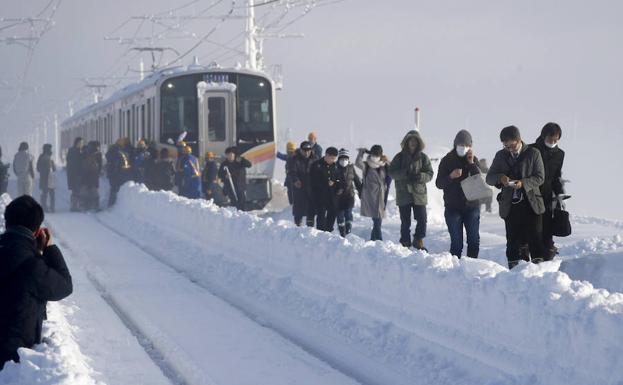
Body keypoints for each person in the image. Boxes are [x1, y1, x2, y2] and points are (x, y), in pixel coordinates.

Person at [0, 196, 73, 371]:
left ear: (6, 221)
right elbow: (64, 286)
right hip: (13, 358)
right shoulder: (32, 266)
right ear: (37, 231)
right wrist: (49, 248)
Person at [486, 125, 545, 268]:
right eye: (505, 146)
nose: (509, 148)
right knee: (513, 240)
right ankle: (515, 271)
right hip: (510, 205)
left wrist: (523, 183)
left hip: (531, 203)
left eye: (511, 145)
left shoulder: (533, 153)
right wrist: (501, 178)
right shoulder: (500, 155)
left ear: (518, 140)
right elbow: (489, 178)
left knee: (535, 237)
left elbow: (540, 177)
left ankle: (538, 271)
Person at [435, 130, 482, 259]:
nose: (463, 148)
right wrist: (451, 176)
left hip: (472, 207)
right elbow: (439, 183)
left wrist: (471, 164)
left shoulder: (473, 160)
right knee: (456, 243)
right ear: (455, 145)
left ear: (470, 146)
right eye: (461, 145)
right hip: (453, 208)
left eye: (466, 145)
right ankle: (455, 271)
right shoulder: (447, 160)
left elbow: (480, 180)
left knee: (473, 241)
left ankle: (471, 266)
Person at [388, 130, 434, 250]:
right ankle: (405, 242)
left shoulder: (423, 158)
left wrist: (420, 176)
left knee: (422, 219)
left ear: (418, 143)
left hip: (419, 194)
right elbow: (391, 173)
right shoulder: (399, 157)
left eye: (415, 141)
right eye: (410, 140)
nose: (413, 143)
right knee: (405, 221)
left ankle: (418, 240)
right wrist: (405, 173)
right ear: (407, 142)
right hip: (403, 193)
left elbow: (429, 173)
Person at [530, 122, 566, 260]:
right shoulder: (532, 150)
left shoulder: (560, 154)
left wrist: (560, 193)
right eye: (550, 139)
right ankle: (533, 256)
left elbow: (556, 176)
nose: (552, 142)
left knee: (546, 227)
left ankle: (546, 256)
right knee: (534, 227)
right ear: (543, 136)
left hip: (547, 195)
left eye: (555, 140)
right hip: (531, 194)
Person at [356, 145, 390, 241]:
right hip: (370, 196)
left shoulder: (383, 166)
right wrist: (361, 153)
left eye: (377, 154)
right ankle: (379, 240)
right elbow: (357, 163)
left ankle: (373, 240)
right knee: (377, 219)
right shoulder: (366, 165)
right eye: (374, 154)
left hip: (381, 196)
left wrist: (387, 160)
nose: (375, 156)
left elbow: (392, 171)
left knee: (378, 220)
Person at [309, 147, 340, 232]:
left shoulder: (335, 166)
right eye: (331, 158)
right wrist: (326, 183)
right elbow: (313, 180)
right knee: (321, 215)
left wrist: (335, 183)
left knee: (333, 212)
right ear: (326, 155)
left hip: (331, 195)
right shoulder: (317, 165)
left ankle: (329, 230)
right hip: (320, 195)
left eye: (334, 158)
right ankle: (320, 232)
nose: (333, 160)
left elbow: (338, 178)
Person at [287, 141, 316, 226]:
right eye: (304, 150)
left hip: (311, 188)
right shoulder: (295, 159)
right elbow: (292, 171)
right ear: (300, 150)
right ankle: (297, 226)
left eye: (308, 150)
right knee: (298, 209)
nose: (306, 152)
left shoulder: (315, 159)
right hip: (299, 187)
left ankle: (310, 228)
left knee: (311, 208)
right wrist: (295, 180)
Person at [335, 149, 362, 237]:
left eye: (346, 158)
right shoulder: (334, 168)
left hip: (349, 196)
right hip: (338, 197)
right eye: (342, 158)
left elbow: (357, 180)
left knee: (348, 214)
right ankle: (342, 233)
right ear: (339, 158)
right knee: (340, 216)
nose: (344, 160)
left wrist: (361, 192)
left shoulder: (351, 168)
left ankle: (348, 231)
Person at [106, 138, 133, 207]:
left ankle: (113, 204)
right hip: (117, 173)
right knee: (114, 189)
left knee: (115, 189)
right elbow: (113, 162)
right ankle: (112, 205)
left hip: (119, 173)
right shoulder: (116, 151)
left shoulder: (120, 151)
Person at [81, 141, 103, 211]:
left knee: (86, 190)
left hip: (85, 174)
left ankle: (86, 205)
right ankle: (95, 206)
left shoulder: (85, 152)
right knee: (94, 190)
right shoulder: (98, 154)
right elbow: (100, 165)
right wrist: (98, 172)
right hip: (94, 174)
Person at [36, 144, 56, 213]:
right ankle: (52, 208)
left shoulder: (41, 157)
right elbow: (54, 169)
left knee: (45, 193)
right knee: (51, 193)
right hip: (50, 178)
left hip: (44, 178)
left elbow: (38, 168)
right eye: (50, 149)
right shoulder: (49, 158)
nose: (51, 150)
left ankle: (44, 207)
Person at [66, 138, 84, 211]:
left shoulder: (77, 151)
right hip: (75, 174)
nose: (82, 144)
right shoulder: (74, 151)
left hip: (76, 173)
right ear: (77, 143)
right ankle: (75, 206)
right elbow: (73, 162)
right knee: (76, 190)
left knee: (76, 190)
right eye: (81, 143)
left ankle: (74, 206)